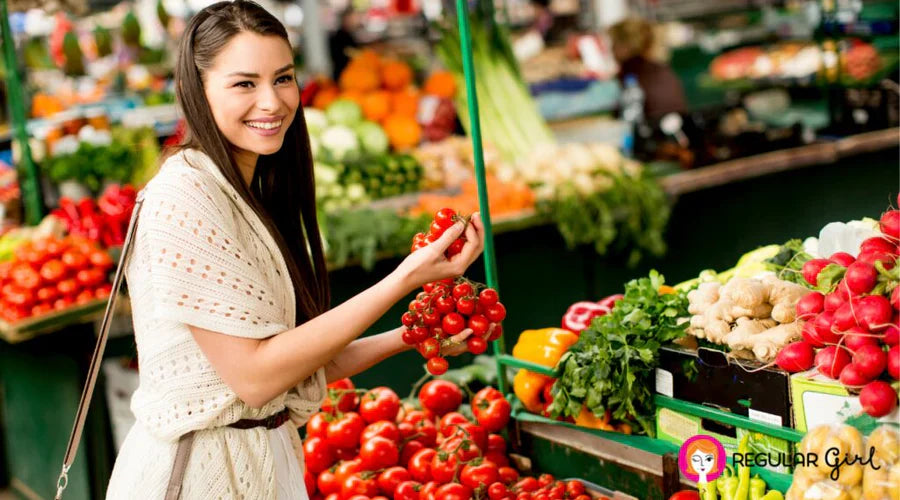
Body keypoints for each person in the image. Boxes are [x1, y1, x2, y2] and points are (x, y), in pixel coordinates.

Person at [104, 1, 485, 498]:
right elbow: (256, 378)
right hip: (197, 477)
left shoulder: (246, 191)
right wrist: (404, 279)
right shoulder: (184, 196)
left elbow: (295, 365)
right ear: (196, 89)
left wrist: (414, 334)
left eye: (283, 78)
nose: (272, 102)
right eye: (245, 83)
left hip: (260, 467)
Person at [608, 17, 687, 122]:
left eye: (614, 44)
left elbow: (627, 117)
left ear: (625, 47)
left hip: (653, 128)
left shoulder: (632, 72)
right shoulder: (662, 69)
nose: (611, 49)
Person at [328, 7, 360, 80]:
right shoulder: (339, 36)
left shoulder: (349, 34)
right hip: (343, 74)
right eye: (351, 19)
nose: (353, 21)